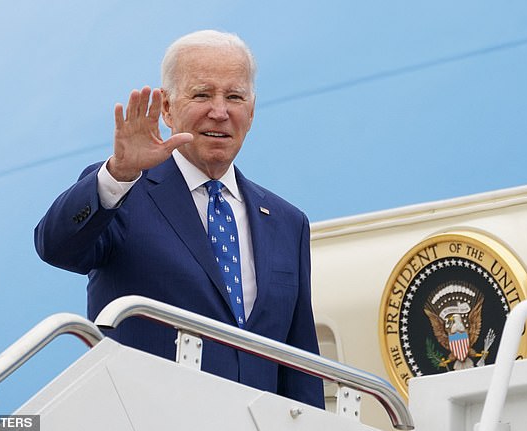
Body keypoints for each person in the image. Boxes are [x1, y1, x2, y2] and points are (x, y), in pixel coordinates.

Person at [34, 30, 324, 409]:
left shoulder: (288, 223)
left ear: (251, 112)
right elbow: (56, 247)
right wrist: (119, 173)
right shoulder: (125, 190)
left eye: (234, 97)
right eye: (202, 94)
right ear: (167, 109)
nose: (219, 111)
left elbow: (299, 362)